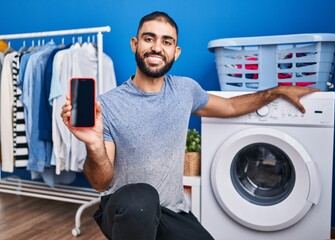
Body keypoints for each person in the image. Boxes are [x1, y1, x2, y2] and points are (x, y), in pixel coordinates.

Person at [61, 11, 319, 240]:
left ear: (176, 51)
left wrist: (275, 92)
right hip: (124, 211)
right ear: (135, 44)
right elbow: (99, 182)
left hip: (172, 211)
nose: (156, 48)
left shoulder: (185, 90)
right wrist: (95, 145)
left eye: (166, 41)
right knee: (141, 199)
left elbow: (229, 107)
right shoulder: (108, 105)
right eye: (149, 39)